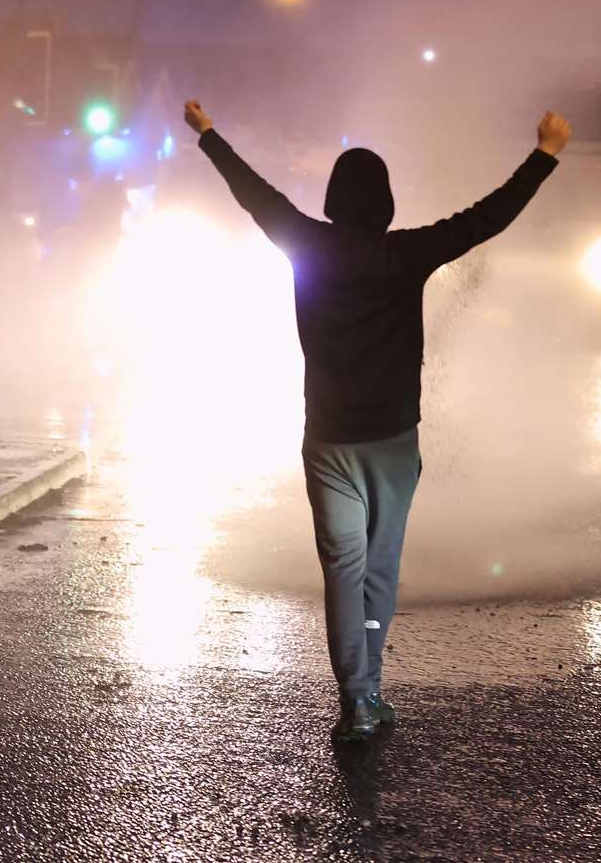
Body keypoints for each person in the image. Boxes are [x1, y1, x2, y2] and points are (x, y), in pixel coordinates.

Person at [182, 100, 567, 742]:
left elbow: (254, 194)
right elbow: (486, 218)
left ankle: (356, 697)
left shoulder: (303, 242)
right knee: (379, 571)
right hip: (391, 443)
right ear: (385, 202)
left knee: (342, 570)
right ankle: (370, 688)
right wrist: (545, 154)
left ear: (333, 199)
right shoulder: (405, 255)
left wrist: (209, 136)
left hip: (328, 440)